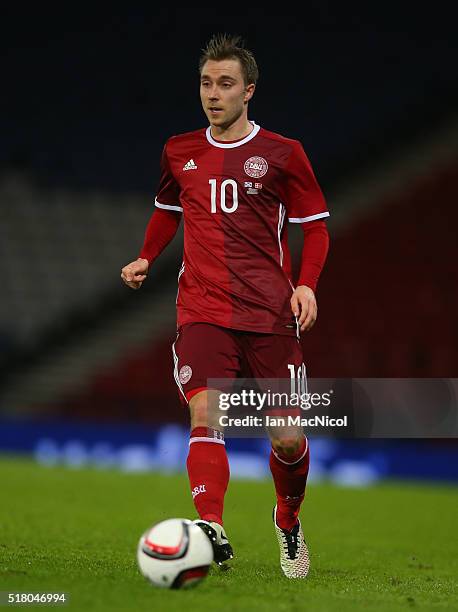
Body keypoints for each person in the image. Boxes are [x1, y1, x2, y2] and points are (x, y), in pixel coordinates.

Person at [121, 33, 329, 579]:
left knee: (287, 438)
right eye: (206, 83)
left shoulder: (284, 153)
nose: (213, 94)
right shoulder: (178, 150)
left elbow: (316, 228)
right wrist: (146, 256)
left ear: (249, 91)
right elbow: (168, 210)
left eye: (226, 84)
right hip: (203, 308)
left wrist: (305, 284)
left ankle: (288, 519)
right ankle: (210, 526)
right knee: (204, 414)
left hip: (270, 315)